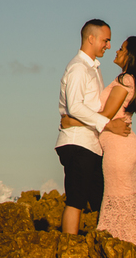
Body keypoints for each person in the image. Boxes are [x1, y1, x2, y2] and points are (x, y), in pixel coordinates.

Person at [61, 36, 136, 244]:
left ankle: (122, 247)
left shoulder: (124, 80)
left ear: (131, 56)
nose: (116, 51)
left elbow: (106, 116)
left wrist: (71, 121)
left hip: (119, 148)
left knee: (117, 201)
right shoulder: (133, 80)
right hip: (127, 145)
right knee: (128, 202)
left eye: (121, 48)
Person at [56, 19, 131, 235]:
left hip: (91, 144)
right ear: (91, 38)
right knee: (76, 199)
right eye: (106, 40)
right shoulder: (79, 68)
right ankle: (69, 248)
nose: (109, 45)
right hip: (77, 142)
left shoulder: (93, 68)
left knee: (99, 198)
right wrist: (109, 125)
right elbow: (75, 106)